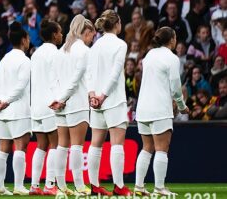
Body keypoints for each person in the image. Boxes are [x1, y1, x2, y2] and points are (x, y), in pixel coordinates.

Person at [134, 27, 188, 196]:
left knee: (146, 148)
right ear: (171, 40)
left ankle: (139, 187)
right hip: (159, 109)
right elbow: (175, 86)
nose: (176, 41)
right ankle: (159, 188)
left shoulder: (149, 55)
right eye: (175, 38)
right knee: (161, 149)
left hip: (142, 108)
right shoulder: (172, 58)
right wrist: (181, 105)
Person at [50, 15, 96, 195]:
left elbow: (53, 79)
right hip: (75, 102)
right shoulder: (84, 51)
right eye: (92, 34)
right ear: (86, 32)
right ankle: (79, 185)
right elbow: (76, 80)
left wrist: (57, 98)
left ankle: (61, 185)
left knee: (62, 145)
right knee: (76, 146)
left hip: (60, 103)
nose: (92, 38)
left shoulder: (61, 51)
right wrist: (63, 98)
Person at [86, 10, 130, 196]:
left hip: (96, 101)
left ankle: (94, 186)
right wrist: (103, 95)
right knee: (117, 144)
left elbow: (88, 73)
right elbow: (115, 72)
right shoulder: (121, 44)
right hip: (112, 99)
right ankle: (119, 186)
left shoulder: (95, 45)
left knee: (96, 143)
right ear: (117, 24)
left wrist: (92, 95)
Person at [0, 24, 32, 195]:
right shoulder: (25, 60)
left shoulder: (5, 59)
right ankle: (18, 186)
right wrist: (6, 101)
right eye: (28, 38)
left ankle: (0, 186)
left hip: (3, 111)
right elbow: (21, 86)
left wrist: (0, 100)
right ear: (23, 40)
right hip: (18, 110)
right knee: (20, 147)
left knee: (3, 148)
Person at [29, 20, 62, 195]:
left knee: (41, 145)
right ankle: (50, 184)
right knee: (55, 145)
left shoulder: (35, 54)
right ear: (54, 34)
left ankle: (35, 186)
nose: (62, 35)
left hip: (36, 106)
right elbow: (55, 80)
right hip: (50, 104)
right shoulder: (56, 53)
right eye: (60, 32)